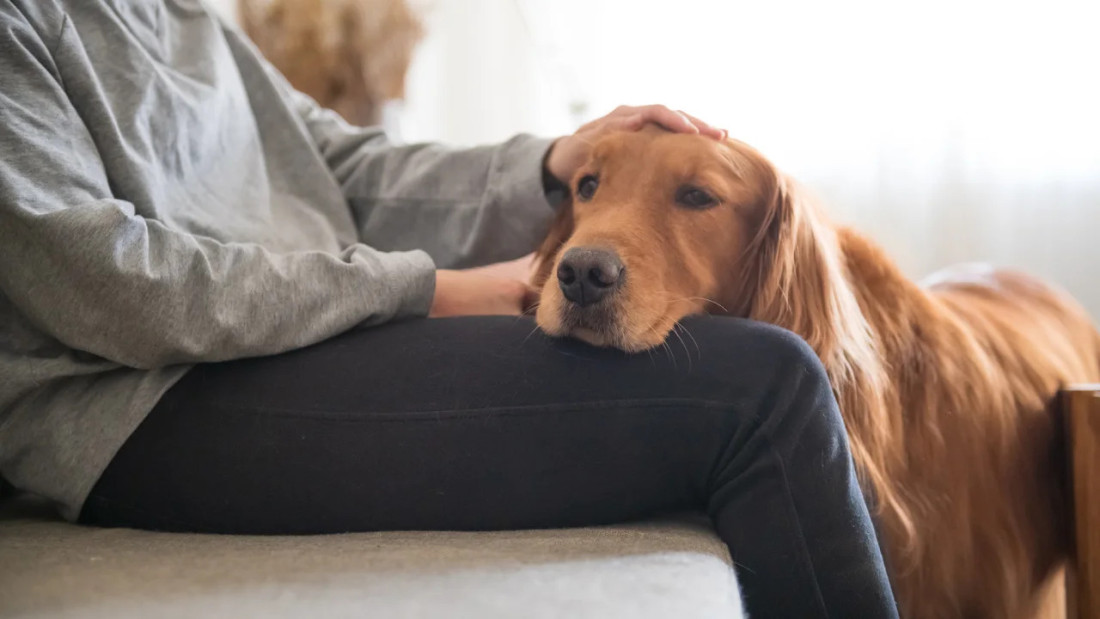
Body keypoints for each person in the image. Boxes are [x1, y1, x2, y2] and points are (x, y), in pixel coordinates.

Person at [0, 1, 898, 617]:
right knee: (763, 390)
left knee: (762, 371)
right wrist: (428, 289)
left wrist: (552, 162)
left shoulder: (178, 16)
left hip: (291, 349)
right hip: (144, 407)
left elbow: (343, 170)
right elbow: (115, 287)